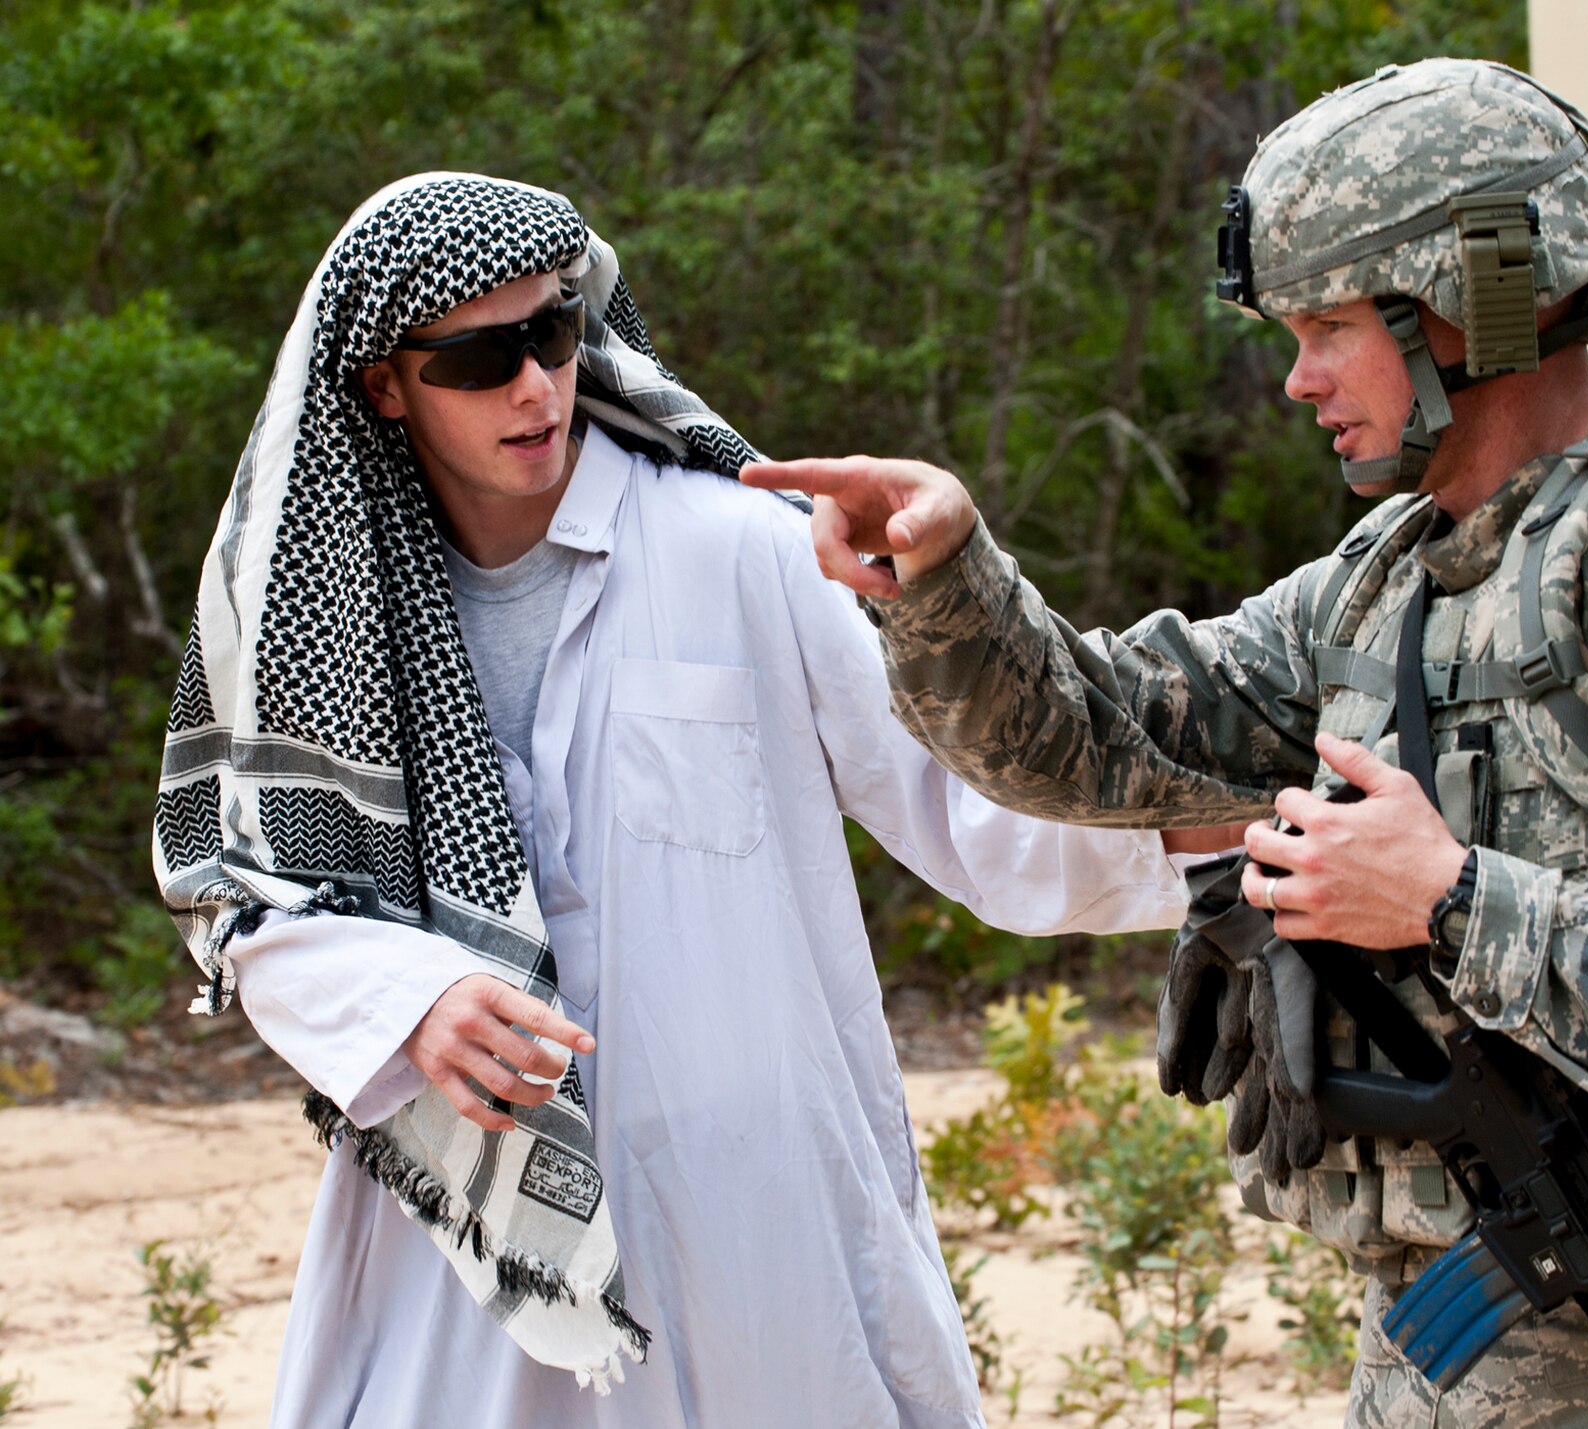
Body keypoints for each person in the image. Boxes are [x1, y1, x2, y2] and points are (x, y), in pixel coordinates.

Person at [744, 58, 1588, 1428]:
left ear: (1472, 304)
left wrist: (1447, 900)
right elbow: (1096, 742)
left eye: (1327, 324)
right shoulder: (1390, 581)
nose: (1296, 378)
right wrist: (953, 580)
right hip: (1468, 1357)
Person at [150, 172, 1227, 1428]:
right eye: (480, 358)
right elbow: (245, 891)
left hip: (761, 1237)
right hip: (470, 1251)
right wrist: (412, 1000)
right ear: (383, 382)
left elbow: (978, 802)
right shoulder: (326, 620)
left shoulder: (741, 546)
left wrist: (1249, 825)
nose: (535, 386)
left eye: (551, 333)